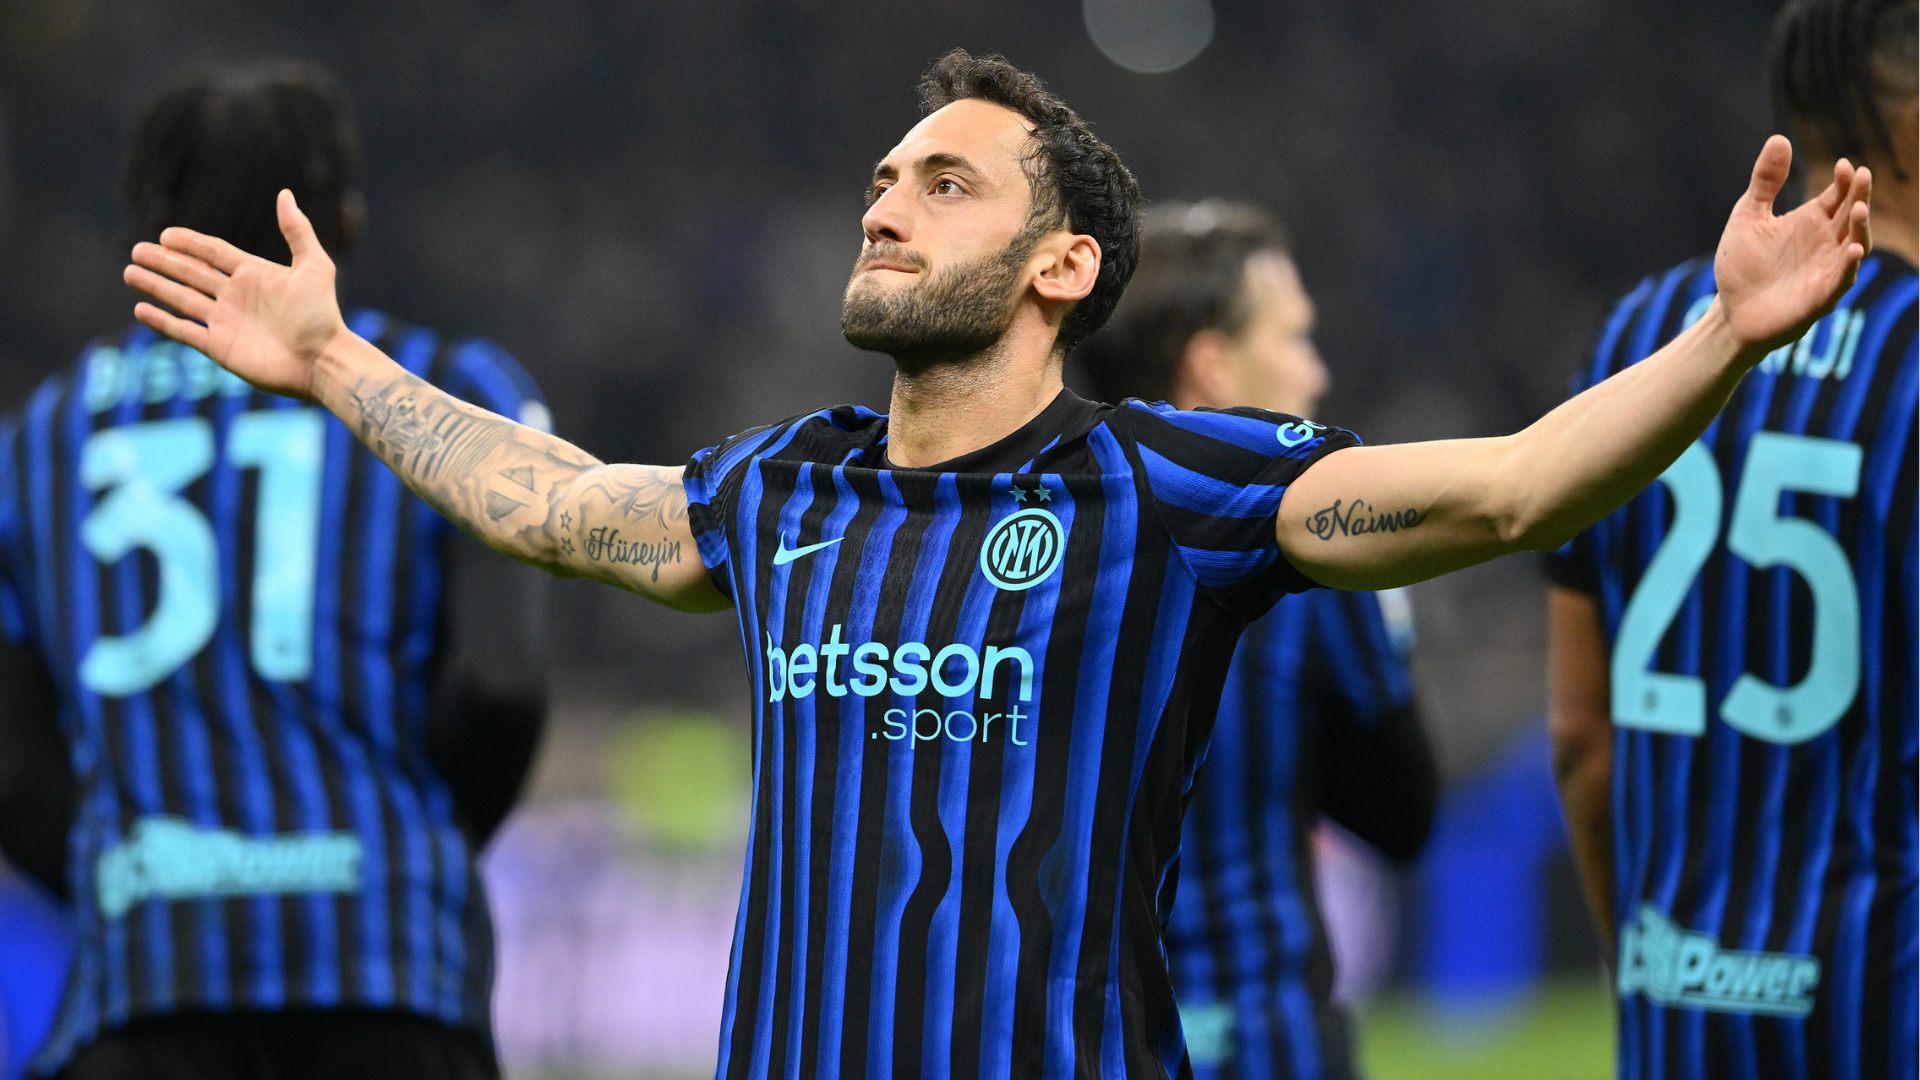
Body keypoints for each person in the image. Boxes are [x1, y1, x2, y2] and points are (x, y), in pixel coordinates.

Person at [121, 46, 1872, 1080]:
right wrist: (333, 360)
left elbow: (1510, 493)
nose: (885, 201)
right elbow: (553, 504)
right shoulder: (784, 491)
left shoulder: (1166, 488)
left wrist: (1725, 334)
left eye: (945, 183)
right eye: (887, 177)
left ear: (1063, 267)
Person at [0, 63, 553, 1080]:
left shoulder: (36, 440)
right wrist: (399, 849)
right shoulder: (452, 394)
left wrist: (146, 882)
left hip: (145, 989)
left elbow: (12, 763)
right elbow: (499, 687)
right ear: (341, 221)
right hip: (389, 978)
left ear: (142, 229)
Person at [1543, 0, 1916, 1075]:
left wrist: (1648, 967)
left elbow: (1580, 740)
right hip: (1880, 1009)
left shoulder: (1635, 335)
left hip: (1675, 1008)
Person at [1077, 201, 1435, 1080]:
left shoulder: (1032, 538)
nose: (1316, 372)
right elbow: (1403, 815)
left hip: (1078, 1044)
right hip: (1263, 1042)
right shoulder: (1313, 554)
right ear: (1211, 364)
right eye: (1294, 338)